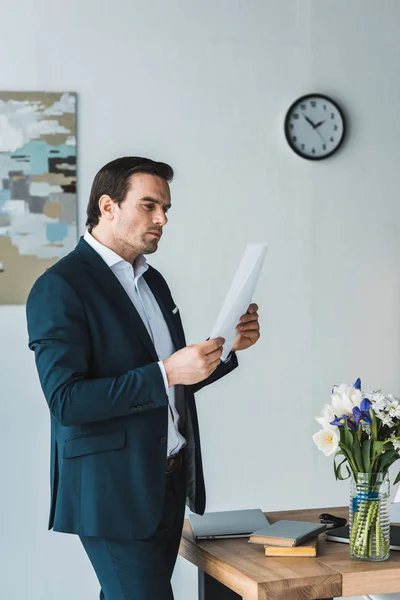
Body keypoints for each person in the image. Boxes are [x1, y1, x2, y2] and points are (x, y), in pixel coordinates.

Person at [26, 156, 261, 600]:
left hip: (167, 484)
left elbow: (168, 383)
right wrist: (167, 371)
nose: (162, 219)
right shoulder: (60, 287)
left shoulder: (153, 283)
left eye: (167, 208)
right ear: (108, 206)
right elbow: (68, 401)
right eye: (149, 205)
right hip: (112, 491)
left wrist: (225, 350)